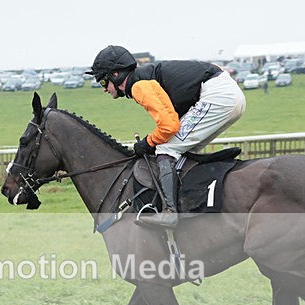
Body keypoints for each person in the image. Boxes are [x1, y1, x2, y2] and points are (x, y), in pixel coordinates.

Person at [87, 45, 246, 228]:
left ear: (115, 75)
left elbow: (169, 126)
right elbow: (172, 120)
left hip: (218, 96)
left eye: (103, 82)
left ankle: (170, 212)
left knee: (166, 149)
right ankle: (190, 201)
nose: (104, 89)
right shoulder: (144, 78)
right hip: (227, 94)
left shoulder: (139, 85)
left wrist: (148, 143)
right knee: (181, 150)